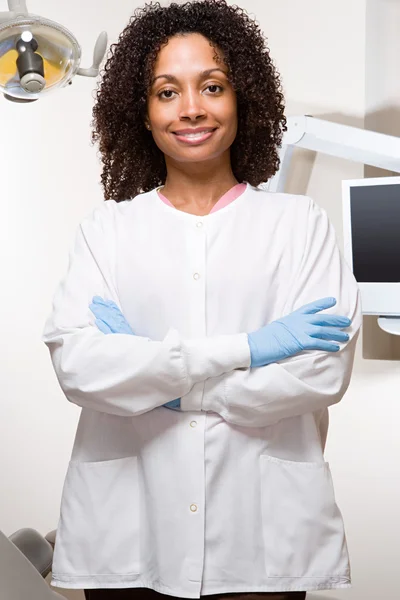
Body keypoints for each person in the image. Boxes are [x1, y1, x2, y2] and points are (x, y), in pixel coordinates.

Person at [43, 1, 361, 599]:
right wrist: (248, 350)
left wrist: (153, 378)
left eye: (212, 86)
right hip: (127, 533)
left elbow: (320, 371)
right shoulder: (107, 231)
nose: (191, 108)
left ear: (243, 98)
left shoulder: (299, 224)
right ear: (140, 110)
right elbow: (80, 369)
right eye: (167, 92)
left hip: (262, 541)